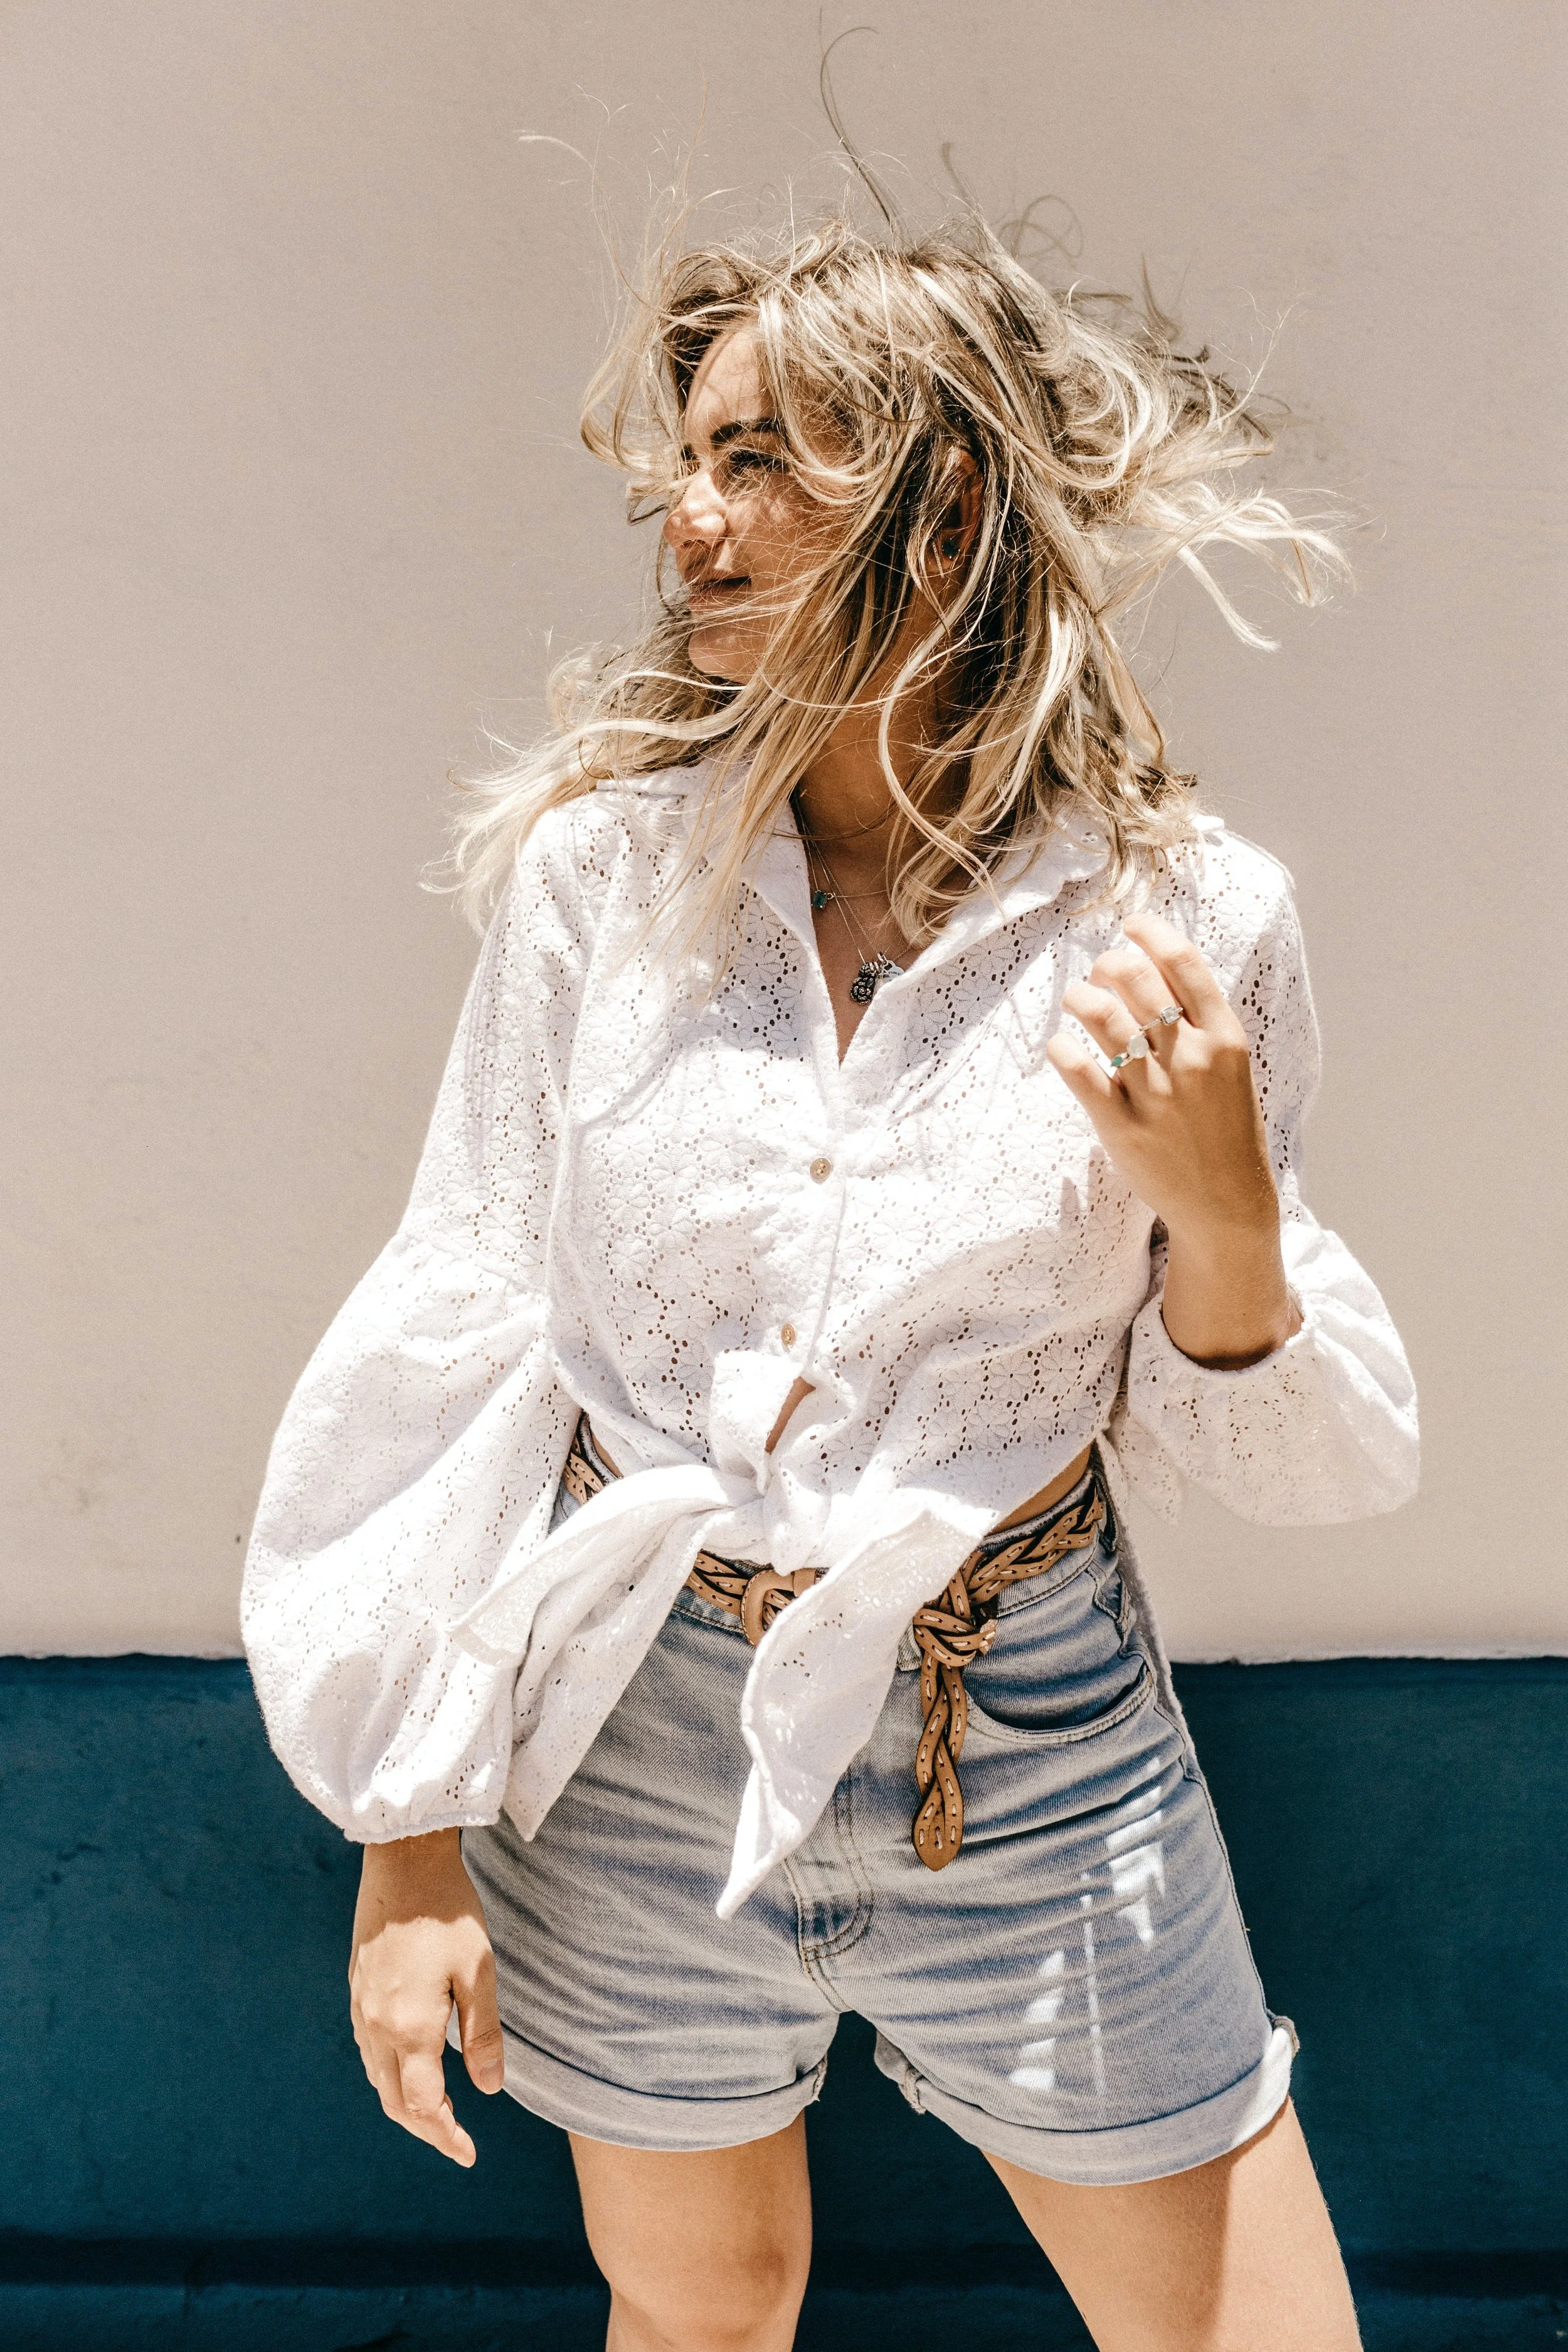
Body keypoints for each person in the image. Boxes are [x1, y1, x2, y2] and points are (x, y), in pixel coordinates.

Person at [243, 207, 1418, 2351]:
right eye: (677, 470)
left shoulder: (1183, 916)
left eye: (759, 458)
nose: (687, 523)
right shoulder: (604, 881)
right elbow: (469, 1310)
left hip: (1030, 1729)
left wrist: (1225, 1218)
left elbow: (1286, 1458)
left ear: (946, 499)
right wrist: (403, 1838)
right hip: (639, 1727)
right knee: (706, 2313)